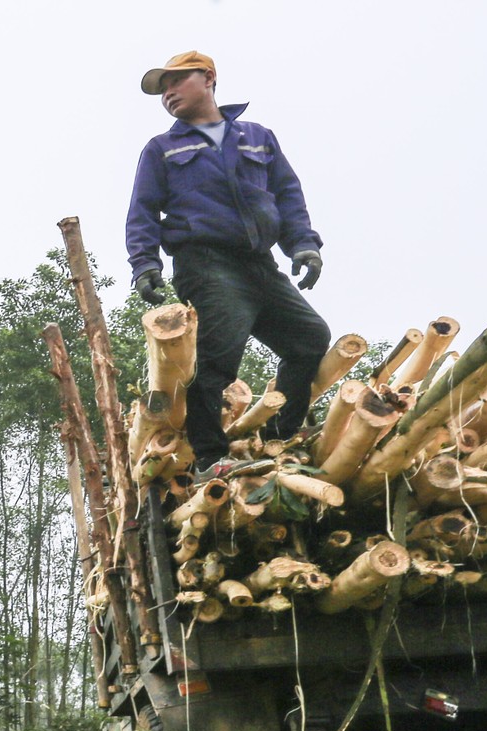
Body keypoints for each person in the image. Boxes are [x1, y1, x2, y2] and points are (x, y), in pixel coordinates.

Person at [124, 50, 332, 480]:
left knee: (310, 338)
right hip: (204, 262)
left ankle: (278, 436)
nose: (168, 94)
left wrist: (304, 246)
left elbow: (288, 196)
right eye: (162, 89)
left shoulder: (257, 136)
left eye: (176, 81)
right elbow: (142, 211)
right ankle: (209, 457)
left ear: (208, 77)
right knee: (218, 357)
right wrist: (145, 264)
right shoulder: (162, 149)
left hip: (260, 264)